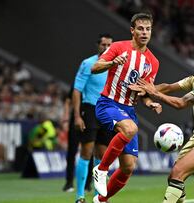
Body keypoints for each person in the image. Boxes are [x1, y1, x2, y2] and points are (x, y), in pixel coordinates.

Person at [134, 47, 194, 203]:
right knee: (173, 177)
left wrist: (154, 93)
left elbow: (181, 103)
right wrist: (145, 89)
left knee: (178, 172)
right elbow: (169, 87)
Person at [91, 13, 162, 203]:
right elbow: (95, 67)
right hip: (108, 103)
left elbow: (144, 92)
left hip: (129, 110)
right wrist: (112, 62)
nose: (144, 32)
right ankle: (101, 169)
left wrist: (150, 102)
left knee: (128, 167)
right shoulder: (118, 47)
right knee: (130, 128)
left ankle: (100, 200)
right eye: (140, 28)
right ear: (132, 30)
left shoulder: (152, 62)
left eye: (148, 29)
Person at [72, 34, 114, 203]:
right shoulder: (88, 64)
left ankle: (99, 196)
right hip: (89, 109)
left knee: (103, 156)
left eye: (109, 45)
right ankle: (80, 196)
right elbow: (77, 90)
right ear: (98, 45)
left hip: (106, 111)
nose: (106, 47)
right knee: (86, 152)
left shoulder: (115, 65)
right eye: (103, 44)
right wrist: (77, 115)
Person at [62, 86, 92, 193]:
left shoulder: (97, 78)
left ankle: (88, 184)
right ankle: (69, 182)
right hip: (75, 120)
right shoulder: (79, 81)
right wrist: (65, 119)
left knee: (90, 152)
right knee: (72, 151)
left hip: (91, 119)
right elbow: (68, 101)